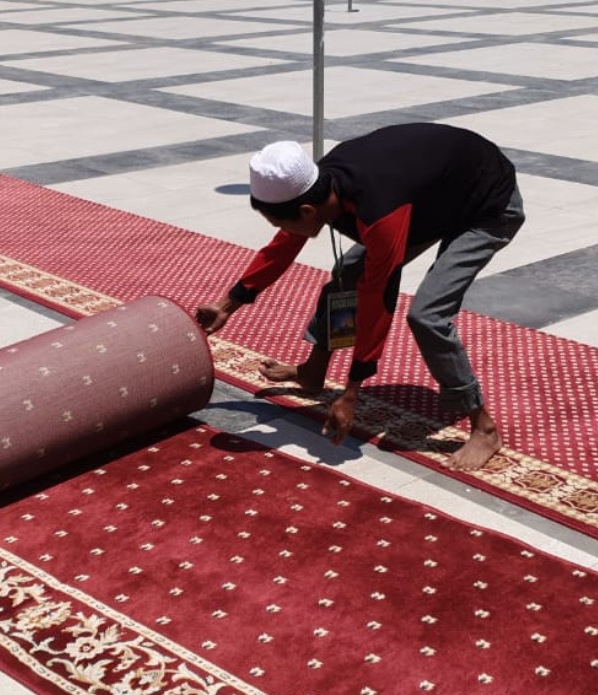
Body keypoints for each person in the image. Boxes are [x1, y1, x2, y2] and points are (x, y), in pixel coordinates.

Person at [196, 123, 524, 471]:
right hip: (433, 200)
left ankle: (483, 426)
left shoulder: (378, 210)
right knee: (346, 276)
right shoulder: (318, 187)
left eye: (282, 223)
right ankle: (312, 373)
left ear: (307, 212)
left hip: (487, 206)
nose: (283, 232)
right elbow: (281, 250)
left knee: (427, 314)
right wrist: (227, 304)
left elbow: (378, 298)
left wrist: (351, 391)